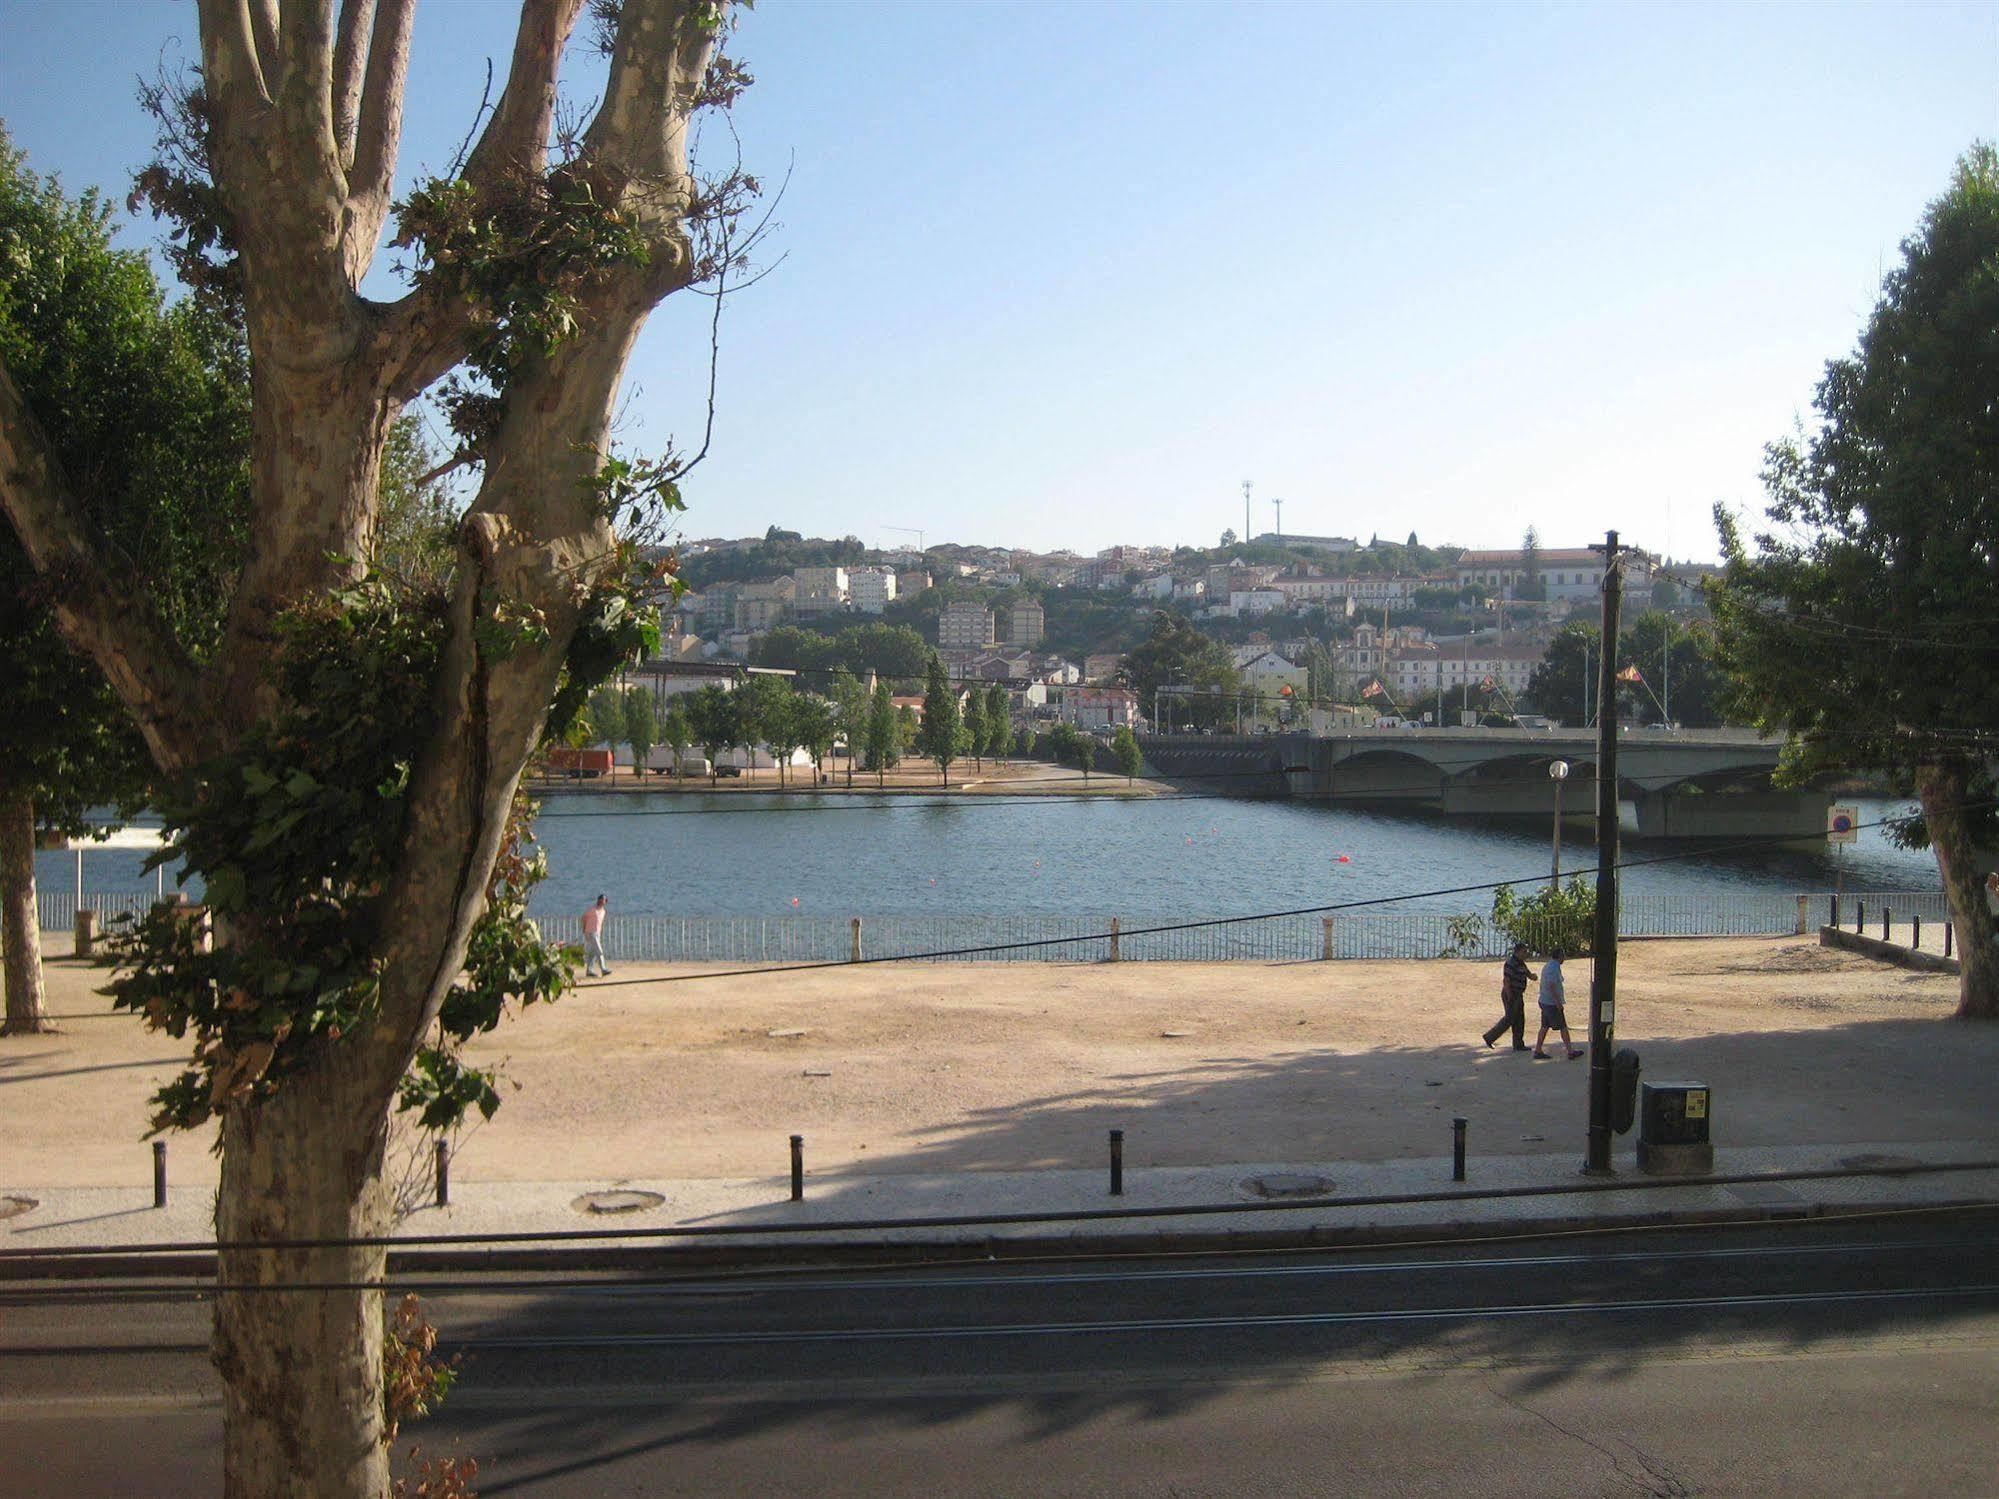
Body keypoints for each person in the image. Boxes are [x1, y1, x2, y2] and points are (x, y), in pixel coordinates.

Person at [1483, 941, 1536, 1051]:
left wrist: (1533, 977)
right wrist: (1510, 996)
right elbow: (1506, 981)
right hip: (1511, 994)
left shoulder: (1521, 963)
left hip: (1518, 994)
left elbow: (1528, 974)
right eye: (1524, 951)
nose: (1526, 954)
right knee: (1509, 1019)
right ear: (1517, 952)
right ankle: (1489, 1037)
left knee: (1519, 1020)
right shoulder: (1510, 963)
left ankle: (1518, 1044)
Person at [1533, 947, 1582, 1060]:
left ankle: (1538, 1050)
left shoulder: (1551, 965)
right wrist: (1558, 1003)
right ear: (1560, 956)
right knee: (1563, 1027)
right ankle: (1570, 1051)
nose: (1564, 958)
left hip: (1545, 1001)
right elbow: (1551, 986)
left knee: (1544, 1027)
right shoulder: (1553, 968)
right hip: (1551, 1003)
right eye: (1563, 956)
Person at [581, 893, 612, 978]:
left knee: (592, 953)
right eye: (601, 899)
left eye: (604, 900)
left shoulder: (603, 911)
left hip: (597, 933)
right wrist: (584, 928)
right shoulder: (592, 909)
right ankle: (603, 968)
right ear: (598, 900)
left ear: (606, 902)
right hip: (590, 933)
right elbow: (584, 918)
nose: (602, 901)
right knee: (599, 950)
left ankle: (589, 970)